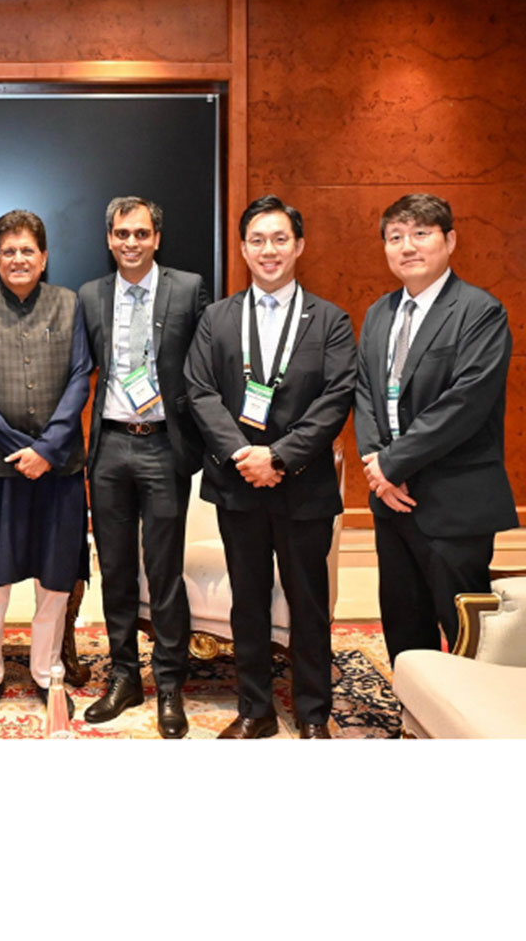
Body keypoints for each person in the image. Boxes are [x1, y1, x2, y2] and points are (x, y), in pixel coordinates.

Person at [184, 195, 355, 738]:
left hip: (303, 486)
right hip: (239, 485)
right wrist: (244, 455)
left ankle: (311, 714)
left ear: (299, 245)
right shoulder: (218, 317)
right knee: (248, 601)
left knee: (308, 603)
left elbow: (336, 397)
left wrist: (279, 456)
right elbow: (200, 391)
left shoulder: (329, 320)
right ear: (242, 249)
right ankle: (254, 709)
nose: (269, 250)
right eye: (257, 240)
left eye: (280, 238)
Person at [353, 193, 517, 663]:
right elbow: (364, 393)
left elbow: (465, 403)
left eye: (421, 234)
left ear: (449, 241)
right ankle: (414, 720)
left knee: (469, 638)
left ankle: (472, 730)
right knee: (405, 625)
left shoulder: (479, 311)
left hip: (453, 502)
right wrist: (376, 466)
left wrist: (391, 463)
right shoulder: (379, 313)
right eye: (395, 237)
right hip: (391, 502)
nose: (408, 246)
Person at [0, 209, 92, 722]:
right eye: (8, 251)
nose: (17, 259)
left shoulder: (70, 304)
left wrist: (48, 448)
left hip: (59, 469)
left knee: (54, 580)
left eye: (27, 250)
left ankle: (45, 671)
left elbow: (81, 376)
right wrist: (20, 448)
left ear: (44, 256)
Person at [77, 196, 210, 738]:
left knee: (164, 571)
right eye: (121, 234)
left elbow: (205, 367)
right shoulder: (90, 295)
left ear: (157, 238)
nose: (131, 242)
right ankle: (124, 675)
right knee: (114, 570)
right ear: (108, 239)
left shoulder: (187, 288)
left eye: (141, 233)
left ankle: (170, 682)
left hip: (162, 446)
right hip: (109, 446)